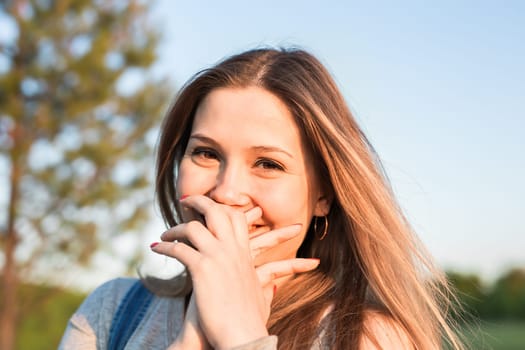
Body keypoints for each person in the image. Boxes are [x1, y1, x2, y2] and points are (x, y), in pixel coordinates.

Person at [60, 47, 465, 349]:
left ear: (324, 195)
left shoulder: (368, 339)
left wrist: (242, 337)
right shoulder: (112, 312)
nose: (227, 192)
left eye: (268, 164)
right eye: (206, 153)